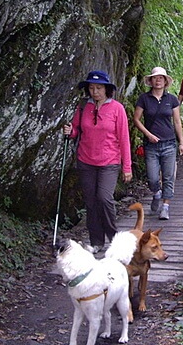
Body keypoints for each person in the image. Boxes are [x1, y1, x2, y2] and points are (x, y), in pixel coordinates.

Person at [63, 70, 132, 254]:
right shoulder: (83, 107)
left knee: (104, 198)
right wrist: (70, 131)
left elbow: (124, 138)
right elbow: (77, 130)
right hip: (86, 160)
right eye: (92, 88)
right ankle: (96, 242)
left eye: (99, 88)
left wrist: (127, 167)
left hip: (109, 161)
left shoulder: (117, 109)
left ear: (107, 89)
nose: (95, 92)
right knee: (91, 201)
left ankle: (114, 240)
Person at [134, 67, 183, 220]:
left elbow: (177, 121)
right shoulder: (144, 98)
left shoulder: (172, 100)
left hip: (169, 143)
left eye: (161, 78)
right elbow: (136, 119)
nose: (158, 81)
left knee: (169, 177)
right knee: (152, 178)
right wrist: (148, 135)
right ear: (150, 81)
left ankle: (165, 207)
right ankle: (156, 193)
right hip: (151, 145)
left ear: (165, 81)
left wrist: (181, 142)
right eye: (155, 78)